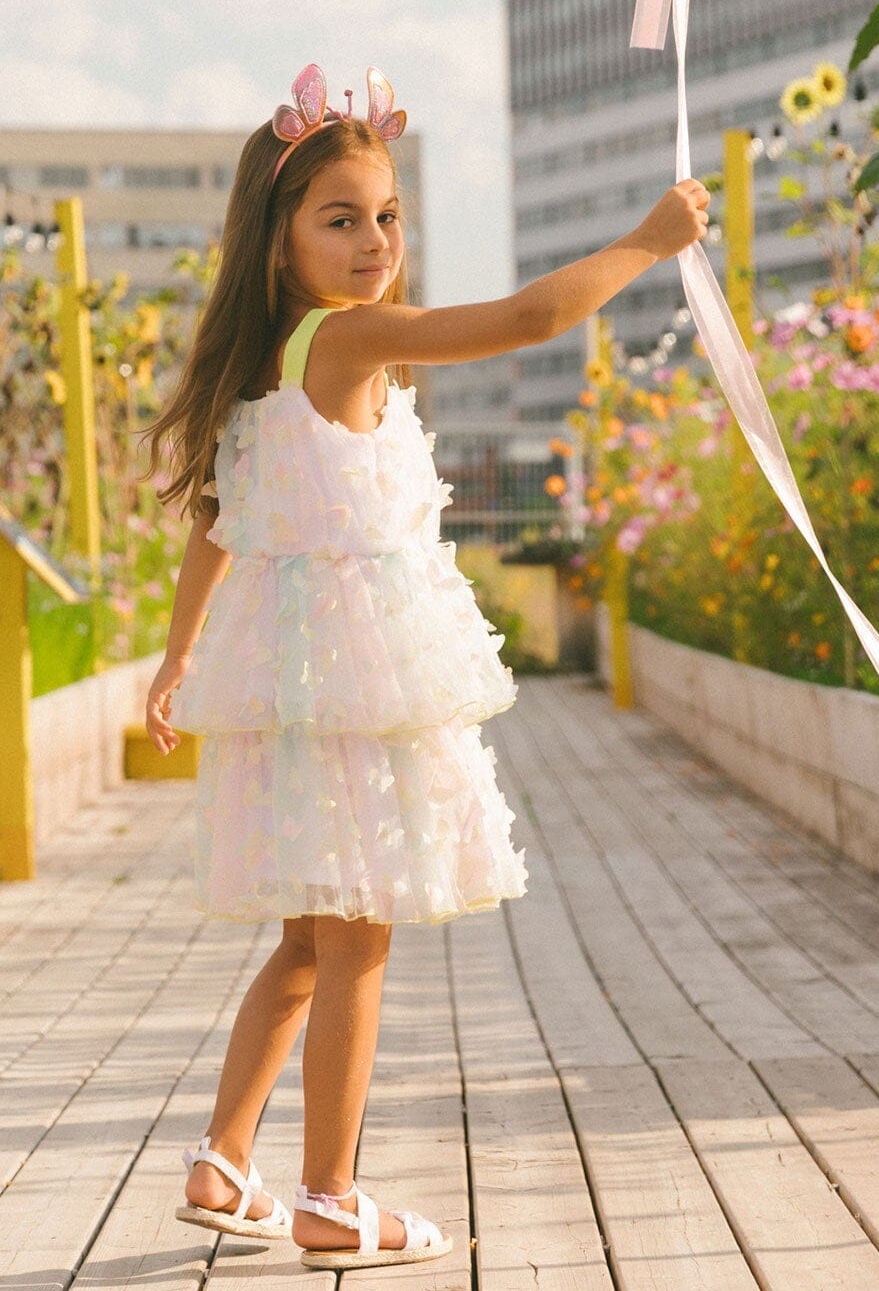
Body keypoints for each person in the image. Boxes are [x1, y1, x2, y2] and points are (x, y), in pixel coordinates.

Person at [141, 62, 708, 1270]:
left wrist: (180, 656)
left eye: (388, 215)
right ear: (280, 239)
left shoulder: (263, 360)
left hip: (297, 680)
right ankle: (330, 1196)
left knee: (308, 940)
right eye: (340, 220)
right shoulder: (349, 338)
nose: (374, 242)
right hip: (351, 681)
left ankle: (223, 1161)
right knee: (358, 937)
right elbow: (527, 321)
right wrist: (650, 242)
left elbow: (217, 524)